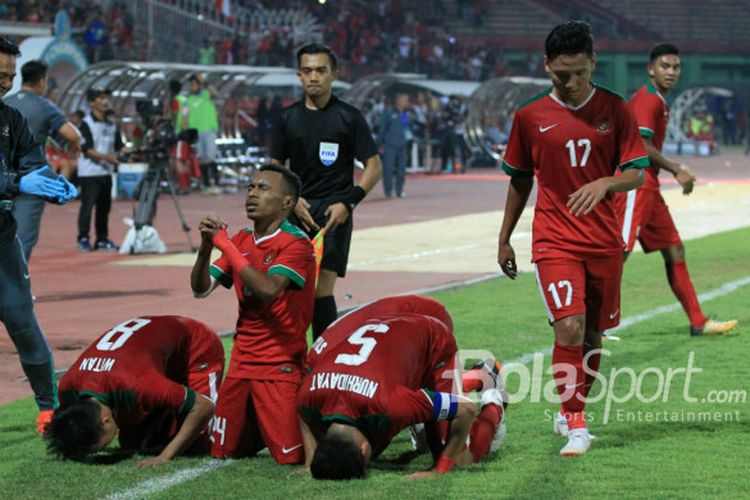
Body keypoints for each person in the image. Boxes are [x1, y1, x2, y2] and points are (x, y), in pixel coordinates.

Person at [496, 21, 648, 457]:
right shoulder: (529, 116)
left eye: (579, 73)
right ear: (546, 67)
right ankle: (577, 425)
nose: (571, 83)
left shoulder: (616, 110)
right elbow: (519, 180)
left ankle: (572, 408)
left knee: (594, 335)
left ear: (592, 63)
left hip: (602, 241)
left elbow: (636, 172)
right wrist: (505, 238)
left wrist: (606, 184)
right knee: (569, 326)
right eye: (562, 75)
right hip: (554, 239)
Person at [297, 294, 507, 480]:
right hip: (388, 333)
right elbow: (302, 412)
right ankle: (452, 389)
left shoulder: (391, 406)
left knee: (458, 457)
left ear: (363, 449)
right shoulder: (309, 395)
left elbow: (466, 409)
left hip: (432, 339)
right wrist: (309, 462)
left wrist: (440, 469)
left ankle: (491, 390)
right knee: (400, 423)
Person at [191, 164, 316, 464]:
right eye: (250, 187)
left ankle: (276, 419)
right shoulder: (242, 239)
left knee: (291, 456)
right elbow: (200, 289)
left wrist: (225, 245)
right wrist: (207, 248)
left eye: (263, 188)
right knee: (222, 451)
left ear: (286, 203)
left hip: (280, 363)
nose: (252, 193)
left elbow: (268, 289)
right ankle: (262, 423)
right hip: (242, 362)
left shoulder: (296, 243)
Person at [616, 43, 737, 337]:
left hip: (649, 185)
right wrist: (677, 169)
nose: (671, 72)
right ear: (651, 69)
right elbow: (642, 146)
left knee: (674, 249)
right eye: (665, 66)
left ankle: (698, 321)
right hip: (635, 182)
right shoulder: (648, 101)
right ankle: (591, 320)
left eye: (676, 67)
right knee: (617, 252)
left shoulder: (658, 100)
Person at [271, 43, 382, 340]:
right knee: (288, 287)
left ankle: (321, 363)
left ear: (334, 74)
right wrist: (291, 201)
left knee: (322, 289)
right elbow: (275, 168)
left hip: (334, 214)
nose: (313, 77)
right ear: (299, 75)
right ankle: (289, 363)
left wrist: (349, 202)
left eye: (321, 70)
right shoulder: (286, 119)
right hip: (296, 211)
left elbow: (374, 166)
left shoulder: (349, 117)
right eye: (307, 71)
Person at [0, 36, 77, 435]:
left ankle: (50, 410)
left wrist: (53, 184)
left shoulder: (11, 119)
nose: (4, 84)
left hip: (2, 244)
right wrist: (18, 182)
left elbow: (33, 164)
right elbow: (16, 178)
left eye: (10, 77)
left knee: (23, 323)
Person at [46, 315, 224, 465]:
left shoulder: (138, 384)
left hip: (195, 344)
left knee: (198, 441)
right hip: (152, 355)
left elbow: (204, 407)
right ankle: (165, 417)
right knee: (133, 443)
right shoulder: (68, 387)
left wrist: (166, 456)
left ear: (106, 420)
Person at [5, 60, 81, 260]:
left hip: (4, 179)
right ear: (41, 81)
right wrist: (74, 148)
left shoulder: (6, 102)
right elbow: (72, 135)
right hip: (31, 178)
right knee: (23, 238)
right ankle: (16, 288)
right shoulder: (44, 106)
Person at [77, 88, 123, 251]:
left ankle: (102, 239)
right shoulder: (86, 124)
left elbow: (119, 147)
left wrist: (131, 154)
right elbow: (87, 150)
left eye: (106, 98)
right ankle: (83, 238)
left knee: (104, 208)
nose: (105, 101)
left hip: (106, 173)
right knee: (87, 207)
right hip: (89, 173)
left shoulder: (112, 124)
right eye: (101, 98)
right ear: (91, 103)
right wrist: (108, 157)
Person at [186, 73, 221, 193]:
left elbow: (216, 95)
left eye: (194, 85)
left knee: (210, 155)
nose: (192, 87)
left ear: (199, 85)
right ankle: (206, 184)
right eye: (190, 85)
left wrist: (205, 82)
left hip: (209, 130)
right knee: (201, 158)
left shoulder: (206, 95)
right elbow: (185, 116)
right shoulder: (188, 100)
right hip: (196, 132)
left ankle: (216, 181)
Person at [378, 92, 410, 198]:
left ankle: (399, 191)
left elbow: (407, 129)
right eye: (405, 99)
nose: (407, 102)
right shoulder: (388, 113)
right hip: (390, 146)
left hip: (402, 146)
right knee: (388, 169)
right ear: (398, 100)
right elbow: (381, 130)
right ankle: (388, 192)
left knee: (401, 170)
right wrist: (379, 144)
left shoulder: (405, 114)